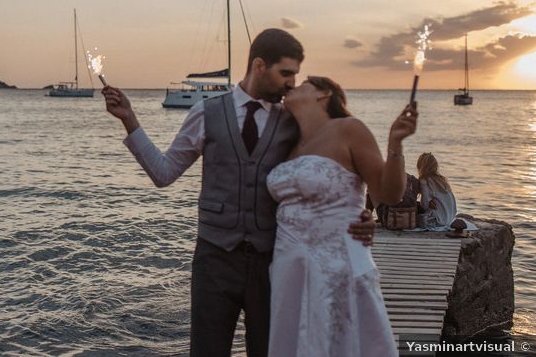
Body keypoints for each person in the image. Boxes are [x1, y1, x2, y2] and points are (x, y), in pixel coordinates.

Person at [101, 29, 375, 357]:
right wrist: (130, 120)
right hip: (214, 260)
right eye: (285, 73)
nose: (291, 83)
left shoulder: (293, 121)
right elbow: (163, 173)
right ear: (259, 65)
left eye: (296, 75)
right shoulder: (205, 113)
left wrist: (360, 212)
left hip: (273, 261)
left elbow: (334, 167)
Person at [266, 76, 417, 357]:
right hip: (290, 267)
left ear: (324, 94)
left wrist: (395, 142)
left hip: (338, 263)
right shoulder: (286, 144)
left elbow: (387, 193)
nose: (292, 87)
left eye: (302, 84)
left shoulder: (349, 129)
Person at [416, 152, 458, 228]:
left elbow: (424, 205)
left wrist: (426, 203)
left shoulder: (424, 181)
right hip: (450, 218)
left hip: (439, 220)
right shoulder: (442, 179)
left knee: (416, 216)